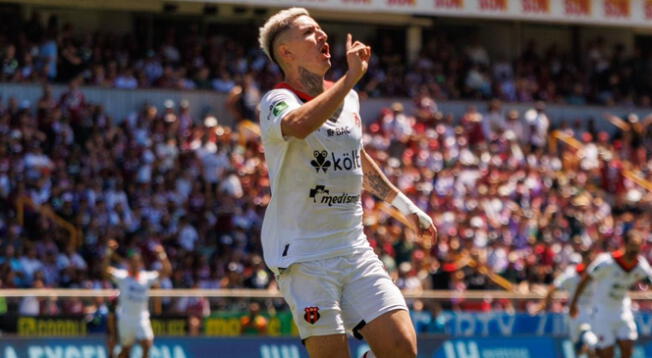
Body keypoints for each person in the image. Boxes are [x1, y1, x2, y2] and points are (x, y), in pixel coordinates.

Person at [257, 8, 436, 358]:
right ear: (286, 52)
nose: (323, 36)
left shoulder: (347, 97)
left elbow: (356, 156)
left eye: (322, 30)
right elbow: (298, 125)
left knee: (403, 349)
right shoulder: (277, 101)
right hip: (304, 257)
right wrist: (349, 79)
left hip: (353, 249)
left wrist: (406, 207)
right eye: (310, 32)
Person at [570, 231, 652, 358]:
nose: (634, 251)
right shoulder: (606, 262)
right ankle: (590, 345)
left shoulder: (641, 265)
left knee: (627, 348)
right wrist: (573, 303)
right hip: (602, 312)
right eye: (632, 246)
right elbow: (585, 280)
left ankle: (591, 345)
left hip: (622, 311)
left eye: (637, 248)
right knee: (607, 354)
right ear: (624, 244)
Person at [102, 240, 172, 358]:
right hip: (126, 319)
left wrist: (162, 254)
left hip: (142, 318)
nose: (134, 264)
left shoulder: (147, 277)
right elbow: (105, 270)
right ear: (129, 263)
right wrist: (109, 252)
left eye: (137, 262)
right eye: (132, 262)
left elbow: (167, 271)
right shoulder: (122, 276)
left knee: (147, 343)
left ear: (140, 263)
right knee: (126, 351)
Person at [535, 253, 597, 357]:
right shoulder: (571, 275)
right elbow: (553, 287)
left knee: (590, 340)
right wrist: (544, 304)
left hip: (590, 313)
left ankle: (589, 348)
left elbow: (552, 288)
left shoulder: (597, 274)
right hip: (575, 313)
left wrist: (544, 304)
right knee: (578, 346)